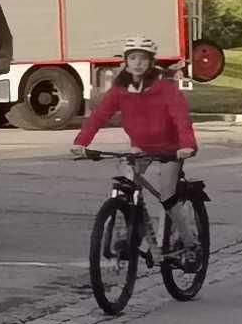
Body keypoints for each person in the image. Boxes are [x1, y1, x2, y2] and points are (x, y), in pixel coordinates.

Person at [68, 36, 197, 224]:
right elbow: (99, 115)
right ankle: (134, 231)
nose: (138, 63)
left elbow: (181, 117)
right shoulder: (120, 89)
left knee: (168, 198)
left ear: (151, 62)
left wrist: (187, 145)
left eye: (143, 58)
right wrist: (81, 142)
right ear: (126, 61)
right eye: (133, 58)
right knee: (127, 187)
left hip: (171, 149)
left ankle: (189, 239)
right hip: (140, 147)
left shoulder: (165, 87)